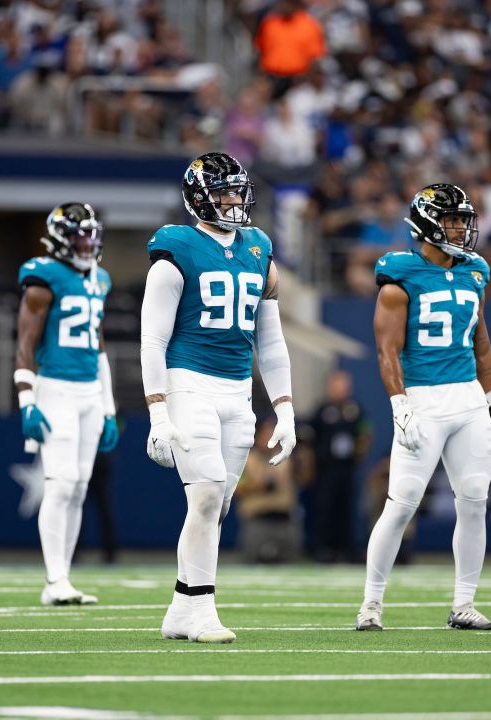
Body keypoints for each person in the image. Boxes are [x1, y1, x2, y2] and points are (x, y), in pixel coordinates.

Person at [140, 152, 297, 644]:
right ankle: (204, 609)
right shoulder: (176, 246)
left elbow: (269, 339)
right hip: (189, 383)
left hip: (237, 390)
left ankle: (180, 607)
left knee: (216, 505)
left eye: (237, 190)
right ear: (197, 197)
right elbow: (152, 339)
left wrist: (286, 407)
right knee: (206, 495)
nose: (234, 200)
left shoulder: (258, 247)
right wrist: (157, 411)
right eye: (223, 191)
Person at [356, 184, 491, 632]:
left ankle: (463, 604)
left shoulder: (475, 270)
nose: (462, 228)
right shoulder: (399, 271)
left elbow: (482, 347)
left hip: (467, 398)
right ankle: (371, 603)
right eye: (452, 220)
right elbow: (387, 349)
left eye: (464, 219)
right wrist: (399, 403)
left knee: (474, 500)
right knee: (401, 503)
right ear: (426, 224)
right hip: (423, 399)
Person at [14, 202, 118, 605]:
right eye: (80, 234)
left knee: (79, 488)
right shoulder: (43, 278)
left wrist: (108, 407)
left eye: (92, 233)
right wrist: (26, 401)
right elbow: (24, 343)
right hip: (55, 388)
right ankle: (54, 579)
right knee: (60, 485)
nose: (88, 242)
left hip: (91, 392)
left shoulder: (101, 279)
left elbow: (100, 345)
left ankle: (63, 577)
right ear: (60, 238)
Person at [309, 369, 370, 562]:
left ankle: (350, 549)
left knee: (348, 508)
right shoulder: (322, 410)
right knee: (325, 508)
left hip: (348, 467)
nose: (341, 389)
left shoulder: (355, 409)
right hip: (326, 469)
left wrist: (360, 452)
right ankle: (323, 549)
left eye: (344, 385)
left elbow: (365, 432)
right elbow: (311, 438)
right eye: (337, 385)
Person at [234, 417, 303, 563]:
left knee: (290, 565)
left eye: (273, 434)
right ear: (257, 436)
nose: (270, 437)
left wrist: (305, 453)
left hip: (285, 520)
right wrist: (258, 486)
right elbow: (236, 490)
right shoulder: (247, 460)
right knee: (252, 563)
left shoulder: (289, 459)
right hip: (257, 519)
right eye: (266, 433)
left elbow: (307, 478)